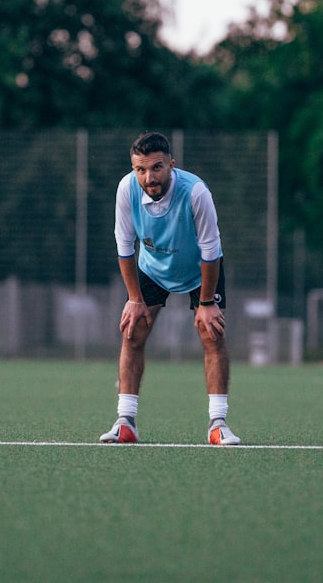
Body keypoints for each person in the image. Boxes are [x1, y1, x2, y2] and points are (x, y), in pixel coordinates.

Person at [100, 132, 240, 445]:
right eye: (140, 169)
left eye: (156, 167)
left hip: (199, 269)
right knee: (132, 331)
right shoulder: (127, 190)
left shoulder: (195, 192)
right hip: (151, 268)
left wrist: (206, 302)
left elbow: (211, 250)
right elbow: (124, 247)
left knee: (212, 333)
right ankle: (125, 422)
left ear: (171, 165)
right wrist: (135, 300)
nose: (149, 176)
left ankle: (217, 424)